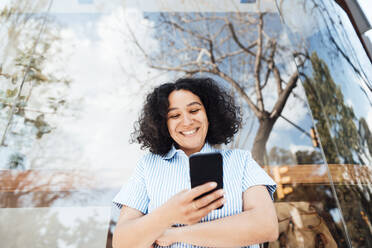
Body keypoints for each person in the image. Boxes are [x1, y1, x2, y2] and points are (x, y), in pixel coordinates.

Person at [112, 77, 278, 248]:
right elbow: (122, 243)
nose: (187, 121)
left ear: (208, 114)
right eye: (175, 115)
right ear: (164, 124)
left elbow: (266, 226)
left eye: (194, 110)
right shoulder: (147, 166)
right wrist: (169, 213)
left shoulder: (241, 160)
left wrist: (174, 234)